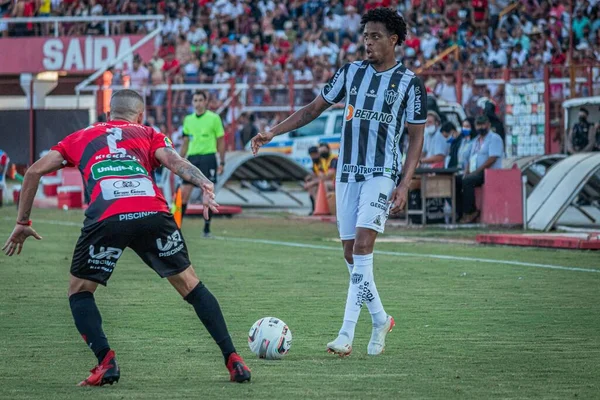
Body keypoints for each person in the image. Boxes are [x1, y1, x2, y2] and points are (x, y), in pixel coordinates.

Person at [2, 89, 251, 386]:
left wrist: (22, 222)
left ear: (108, 115)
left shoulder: (81, 136)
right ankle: (233, 359)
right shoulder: (147, 133)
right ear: (141, 115)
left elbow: (32, 172)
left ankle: (106, 361)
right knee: (190, 285)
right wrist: (204, 182)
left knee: (80, 291)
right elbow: (174, 161)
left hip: (108, 214)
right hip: (152, 212)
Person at [251, 8, 426, 357]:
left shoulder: (409, 83)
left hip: (381, 173)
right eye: (365, 36)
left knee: (362, 247)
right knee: (349, 252)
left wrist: (404, 183)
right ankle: (380, 318)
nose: (368, 43)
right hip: (346, 173)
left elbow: (416, 139)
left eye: (375, 36)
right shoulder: (349, 73)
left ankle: (346, 333)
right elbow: (312, 110)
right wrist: (272, 131)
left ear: (393, 39)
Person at [179, 90, 226, 238]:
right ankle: (177, 228)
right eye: (195, 100)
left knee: (207, 193)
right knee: (184, 193)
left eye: (200, 100)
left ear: (206, 102)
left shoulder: (214, 118)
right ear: (192, 103)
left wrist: (222, 161)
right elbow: (185, 142)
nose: (198, 103)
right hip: (192, 159)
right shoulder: (188, 119)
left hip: (208, 158)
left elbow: (221, 140)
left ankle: (206, 229)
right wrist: (178, 161)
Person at [457, 114, 504, 223]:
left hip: (489, 172)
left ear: (488, 125)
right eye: (478, 125)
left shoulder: (494, 138)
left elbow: (492, 158)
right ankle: (459, 213)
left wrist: (477, 171)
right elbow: (471, 158)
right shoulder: (476, 141)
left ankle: (471, 211)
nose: (481, 127)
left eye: (483, 124)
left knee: (468, 181)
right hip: (475, 172)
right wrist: (466, 171)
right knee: (456, 180)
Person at [304, 143, 338, 214]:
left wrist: (313, 182)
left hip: (337, 182)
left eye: (324, 152)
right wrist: (311, 180)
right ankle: (316, 208)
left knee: (323, 185)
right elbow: (320, 175)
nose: (322, 154)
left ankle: (326, 208)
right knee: (313, 188)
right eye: (321, 152)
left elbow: (328, 175)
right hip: (330, 181)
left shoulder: (334, 159)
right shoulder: (323, 161)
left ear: (329, 150)